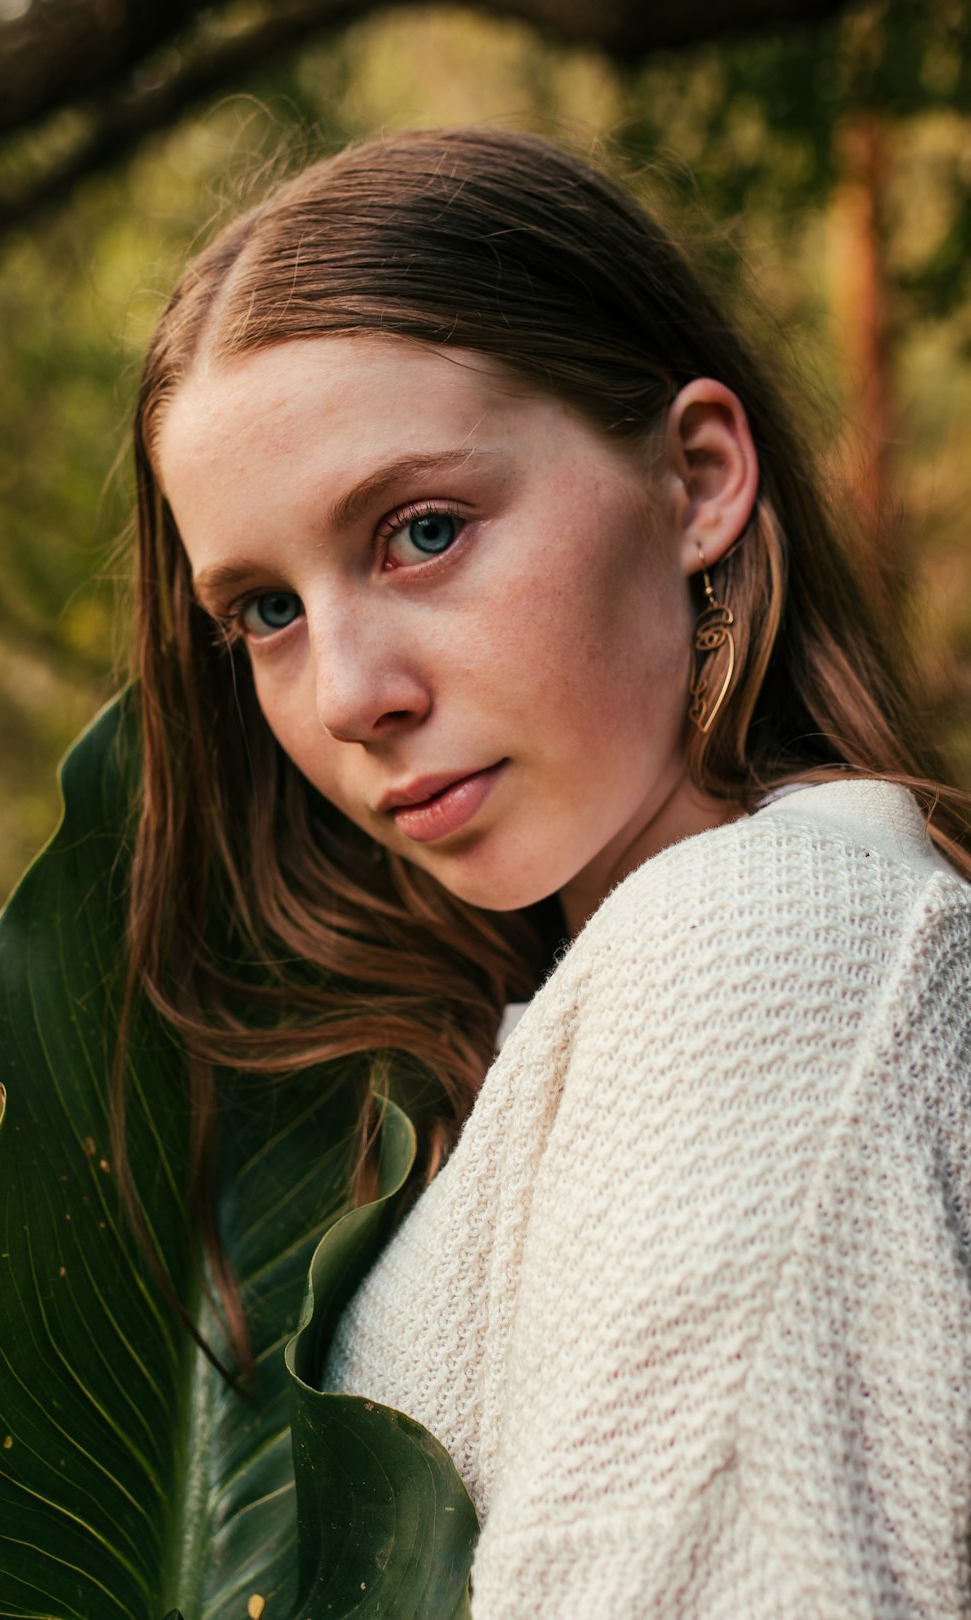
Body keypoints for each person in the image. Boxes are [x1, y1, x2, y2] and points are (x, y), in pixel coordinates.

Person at [125, 126, 971, 1615]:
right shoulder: (580, 1008)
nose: (344, 695)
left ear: (699, 479)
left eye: (422, 532)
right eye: (263, 610)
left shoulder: (758, 946)